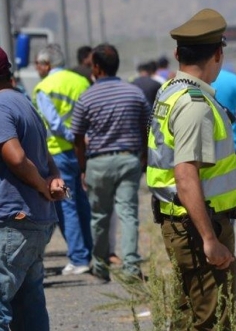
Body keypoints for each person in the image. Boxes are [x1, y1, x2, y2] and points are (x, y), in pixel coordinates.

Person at [146, 8, 236, 330]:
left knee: (189, 317)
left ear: (177, 53)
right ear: (218, 53)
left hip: (180, 221)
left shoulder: (170, 92)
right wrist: (209, 239)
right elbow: (186, 174)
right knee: (213, 320)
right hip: (196, 224)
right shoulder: (194, 105)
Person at [0, 46, 67, 330]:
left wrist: (43, 185)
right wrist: (53, 177)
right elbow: (45, 153)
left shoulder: (0, 106)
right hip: (35, 219)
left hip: (12, 221)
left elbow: (15, 157)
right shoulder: (22, 101)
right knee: (30, 307)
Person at [71, 44, 150, 281]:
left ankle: (100, 265)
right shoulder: (134, 93)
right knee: (128, 213)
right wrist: (143, 157)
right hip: (129, 159)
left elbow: (77, 137)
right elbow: (147, 127)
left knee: (100, 216)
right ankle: (131, 267)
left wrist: (83, 167)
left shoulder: (86, 97)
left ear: (96, 67)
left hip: (98, 162)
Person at [32, 44, 93, 276]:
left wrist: (70, 138)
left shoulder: (43, 87)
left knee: (66, 205)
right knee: (82, 203)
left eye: (38, 64)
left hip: (59, 152)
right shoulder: (80, 81)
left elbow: (54, 124)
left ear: (47, 65)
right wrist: (82, 140)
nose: (37, 68)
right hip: (82, 151)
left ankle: (78, 258)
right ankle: (90, 251)